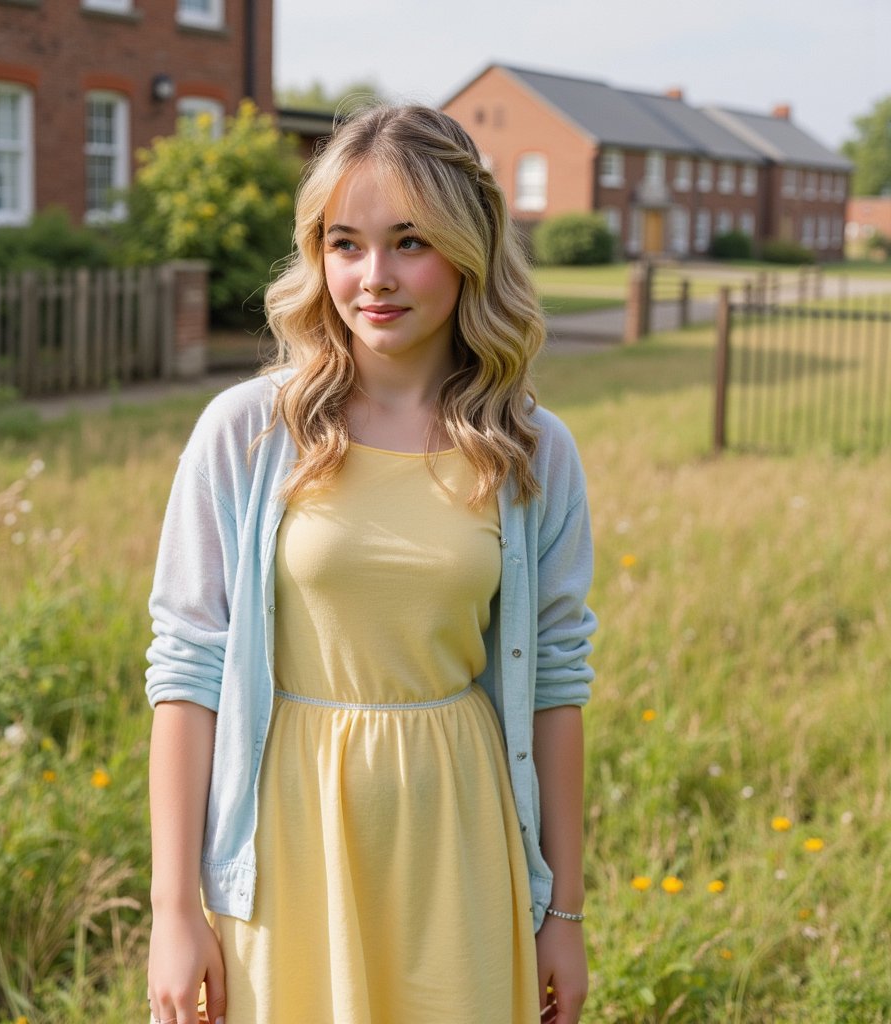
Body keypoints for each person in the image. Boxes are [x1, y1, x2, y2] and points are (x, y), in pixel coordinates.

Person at [144, 104, 596, 1024]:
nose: (374, 277)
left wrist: (565, 913)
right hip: (284, 840)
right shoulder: (247, 431)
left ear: (468, 251)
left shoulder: (532, 452)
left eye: (409, 242)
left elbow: (556, 683)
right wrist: (172, 910)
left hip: (459, 839)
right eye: (345, 244)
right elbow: (187, 672)